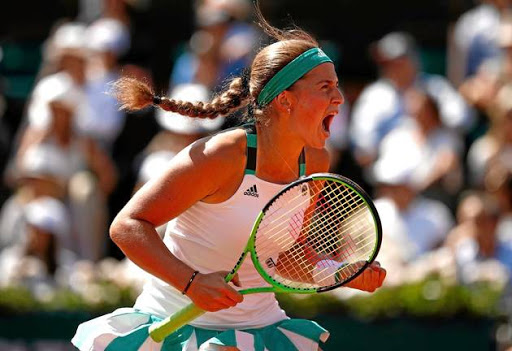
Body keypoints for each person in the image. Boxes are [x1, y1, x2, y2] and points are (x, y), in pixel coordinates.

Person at [71, 6, 386, 351]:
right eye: (325, 87)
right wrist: (191, 283)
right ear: (285, 100)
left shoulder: (315, 161)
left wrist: (338, 271)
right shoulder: (220, 156)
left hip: (262, 329)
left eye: (337, 87)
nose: (339, 99)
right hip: (177, 327)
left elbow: (285, 255)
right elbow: (128, 226)